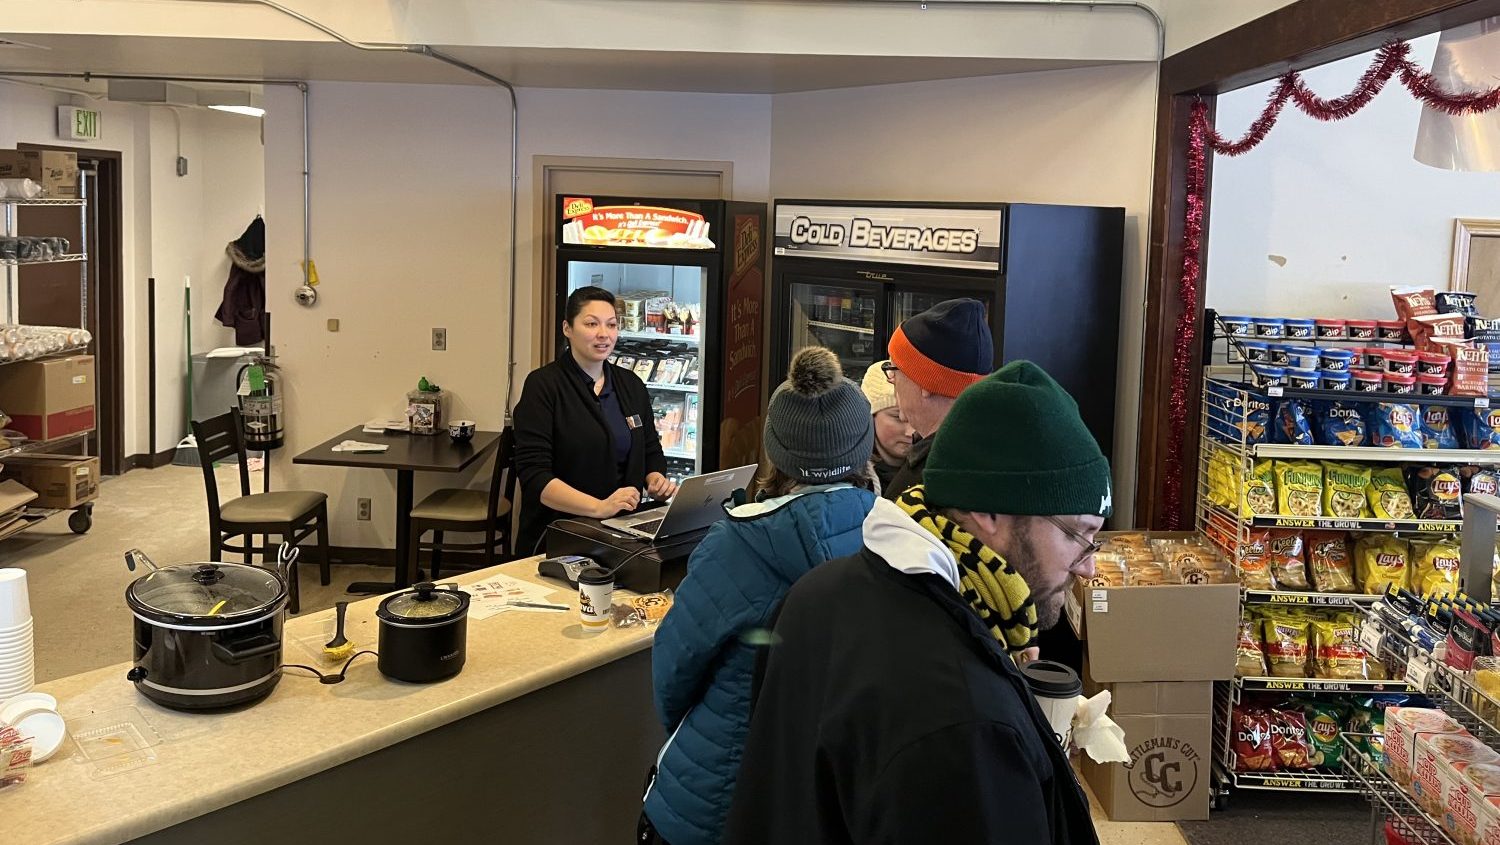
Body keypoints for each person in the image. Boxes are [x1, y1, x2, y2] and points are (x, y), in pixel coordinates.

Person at [723, 361, 1110, 845]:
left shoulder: (819, 593)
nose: (1088, 566)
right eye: (1080, 534)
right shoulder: (965, 722)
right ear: (988, 512)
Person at [641, 346, 878, 845]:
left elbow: (674, 666)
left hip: (716, 795)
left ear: (775, 449)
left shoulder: (736, 544)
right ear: (863, 446)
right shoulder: (892, 536)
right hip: (830, 802)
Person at [512, 286, 678, 556]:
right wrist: (600, 507)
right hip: (559, 535)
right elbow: (536, 478)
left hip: (623, 533)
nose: (604, 334)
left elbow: (650, 450)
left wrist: (656, 479)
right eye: (591, 324)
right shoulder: (543, 386)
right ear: (567, 328)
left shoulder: (630, 385)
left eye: (611, 325)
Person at [882, 297, 993, 499]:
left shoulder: (922, 484)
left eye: (894, 369)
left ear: (925, 382)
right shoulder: (994, 452)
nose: (892, 380)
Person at [860, 360, 915, 493]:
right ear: (870, 418)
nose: (911, 431)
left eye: (916, 417)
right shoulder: (850, 480)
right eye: (897, 417)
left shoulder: (937, 471)